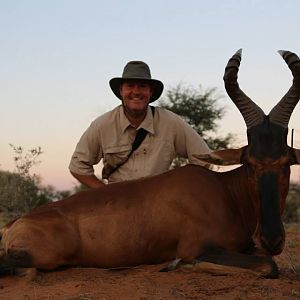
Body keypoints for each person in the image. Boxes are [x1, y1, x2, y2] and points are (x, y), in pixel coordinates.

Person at [69, 61, 211, 188]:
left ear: (150, 92)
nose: (136, 92)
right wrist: (105, 193)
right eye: (130, 86)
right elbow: (77, 166)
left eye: (142, 86)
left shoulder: (171, 122)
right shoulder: (103, 125)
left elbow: (205, 158)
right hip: (119, 204)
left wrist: (178, 189)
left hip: (160, 204)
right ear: (121, 91)